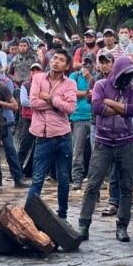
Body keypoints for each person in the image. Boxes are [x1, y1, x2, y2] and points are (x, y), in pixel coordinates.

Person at [78, 56, 133, 243]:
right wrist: (123, 108)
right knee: (92, 185)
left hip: (126, 142)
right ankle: (83, 225)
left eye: (130, 76)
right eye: (125, 75)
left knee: (126, 186)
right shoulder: (100, 85)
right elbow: (97, 107)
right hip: (103, 142)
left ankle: (122, 226)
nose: (126, 79)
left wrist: (112, 103)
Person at [26, 49, 78, 219]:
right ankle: (28, 215)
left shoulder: (70, 83)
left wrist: (50, 98)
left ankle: (62, 215)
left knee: (63, 179)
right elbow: (33, 102)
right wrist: (57, 103)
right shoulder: (38, 78)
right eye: (54, 58)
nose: (56, 61)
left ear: (67, 65)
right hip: (42, 136)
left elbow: (70, 108)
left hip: (63, 135)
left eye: (61, 60)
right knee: (37, 178)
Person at [70, 53, 96, 191]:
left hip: (94, 117)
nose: (86, 65)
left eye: (89, 63)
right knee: (77, 151)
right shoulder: (74, 76)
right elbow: (72, 92)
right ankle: (77, 179)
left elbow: (99, 91)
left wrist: (90, 79)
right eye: (84, 63)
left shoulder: (96, 77)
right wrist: (88, 91)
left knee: (96, 151)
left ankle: (96, 179)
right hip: (78, 117)